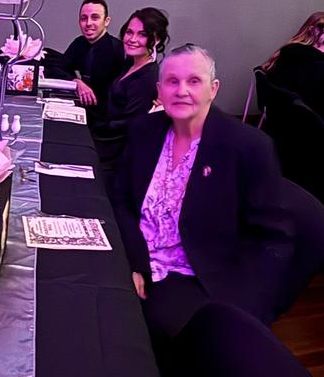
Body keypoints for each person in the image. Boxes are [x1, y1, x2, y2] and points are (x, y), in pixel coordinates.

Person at [113, 44, 295, 369]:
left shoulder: (248, 147)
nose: (181, 91)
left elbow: (274, 239)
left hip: (195, 274)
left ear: (213, 89)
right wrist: (135, 263)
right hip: (136, 257)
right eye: (172, 81)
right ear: (159, 89)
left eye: (194, 81)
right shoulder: (144, 131)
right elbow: (123, 199)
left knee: (126, 334)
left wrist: (241, 307)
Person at [93, 7, 169, 151]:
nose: (132, 39)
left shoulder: (148, 78)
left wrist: (93, 128)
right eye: (129, 32)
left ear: (157, 39)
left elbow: (128, 125)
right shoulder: (130, 63)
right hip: (103, 137)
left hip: (112, 151)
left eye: (142, 35)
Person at [46, 0, 125, 124]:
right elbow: (57, 68)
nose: (88, 23)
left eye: (95, 18)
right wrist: (76, 81)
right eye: (84, 18)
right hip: (81, 111)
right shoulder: (79, 43)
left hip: (105, 121)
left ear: (107, 21)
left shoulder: (118, 50)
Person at [261, 11, 324, 118]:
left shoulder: (289, 50)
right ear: (315, 31)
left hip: (281, 116)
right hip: (308, 120)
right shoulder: (315, 63)